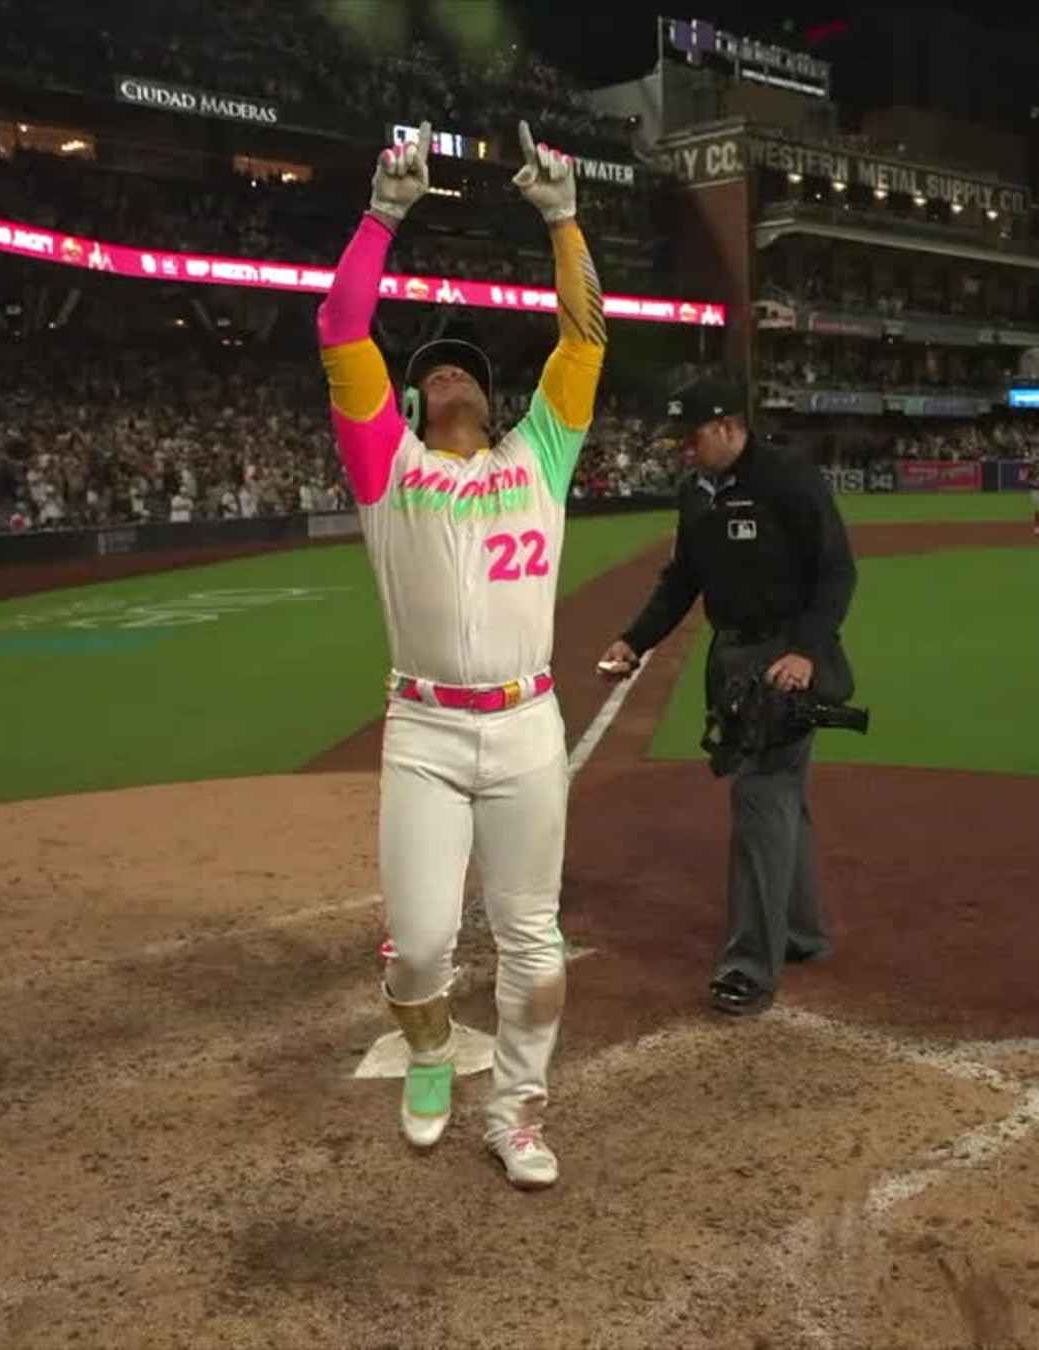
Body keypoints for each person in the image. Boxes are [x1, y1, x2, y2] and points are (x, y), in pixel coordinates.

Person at [316, 119, 604, 1189]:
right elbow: (342, 327)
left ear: (492, 395)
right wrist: (383, 216)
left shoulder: (542, 453)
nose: (448, 381)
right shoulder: (386, 465)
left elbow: (584, 341)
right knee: (426, 946)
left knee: (534, 944)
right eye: (431, 374)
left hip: (527, 726)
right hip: (427, 728)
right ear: (410, 398)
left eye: (463, 373)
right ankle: (432, 1050)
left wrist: (564, 218)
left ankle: (519, 1113)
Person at [599, 378, 859, 1018]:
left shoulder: (788, 480)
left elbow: (836, 570)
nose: (684, 452)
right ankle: (801, 932)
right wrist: (636, 641)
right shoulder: (698, 494)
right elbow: (683, 580)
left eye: (691, 439)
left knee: (760, 799)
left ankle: (749, 968)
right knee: (780, 803)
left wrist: (806, 651)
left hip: (786, 661)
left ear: (726, 426)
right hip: (732, 659)